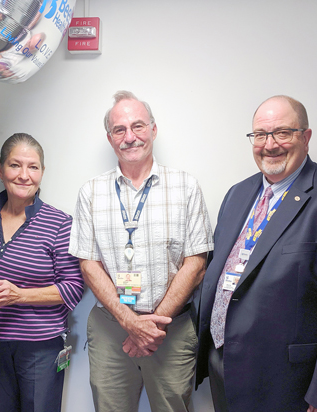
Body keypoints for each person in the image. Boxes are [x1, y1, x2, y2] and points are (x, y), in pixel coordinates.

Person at [196, 95, 317, 412]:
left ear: (305, 136)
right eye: (260, 135)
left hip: (290, 385)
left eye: (282, 132)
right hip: (226, 368)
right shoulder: (237, 194)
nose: (270, 144)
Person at [69, 90, 214, 412]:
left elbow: (196, 263)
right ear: (110, 138)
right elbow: (88, 265)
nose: (130, 137)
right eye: (120, 130)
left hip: (172, 330)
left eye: (138, 126)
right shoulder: (91, 192)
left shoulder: (185, 186)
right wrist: (129, 322)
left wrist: (151, 326)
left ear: (153, 129)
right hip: (110, 328)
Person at [0, 133, 84, 412]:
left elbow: (74, 287)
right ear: (1, 169)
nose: (24, 175)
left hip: (41, 345)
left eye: (33, 167)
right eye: (15, 165)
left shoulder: (60, 223)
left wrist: (19, 295)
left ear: (42, 173)